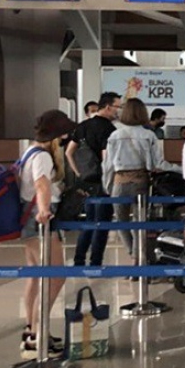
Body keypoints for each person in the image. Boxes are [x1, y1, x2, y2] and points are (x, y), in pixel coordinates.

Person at [19, 110, 77, 358]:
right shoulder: (42, 156)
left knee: (36, 277)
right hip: (40, 220)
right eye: (63, 134)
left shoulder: (29, 151)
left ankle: (31, 331)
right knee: (55, 277)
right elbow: (41, 184)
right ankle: (37, 334)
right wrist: (44, 210)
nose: (65, 138)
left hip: (28, 219)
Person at [102, 98, 180, 258]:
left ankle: (131, 252)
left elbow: (108, 166)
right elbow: (159, 163)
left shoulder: (115, 135)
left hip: (119, 182)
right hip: (141, 182)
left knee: (121, 221)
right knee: (140, 222)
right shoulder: (149, 135)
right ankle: (140, 258)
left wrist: (107, 186)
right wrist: (181, 169)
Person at [66, 92, 122, 267]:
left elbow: (69, 152)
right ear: (108, 107)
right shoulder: (108, 129)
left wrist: (78, 173)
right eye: (117, 107)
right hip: (101, 182)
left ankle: (79, 259)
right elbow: (106, 159)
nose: (119, 111)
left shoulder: (82, 126)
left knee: (89, 221)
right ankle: (96, 261)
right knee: (102, 223)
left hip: (85, 181)